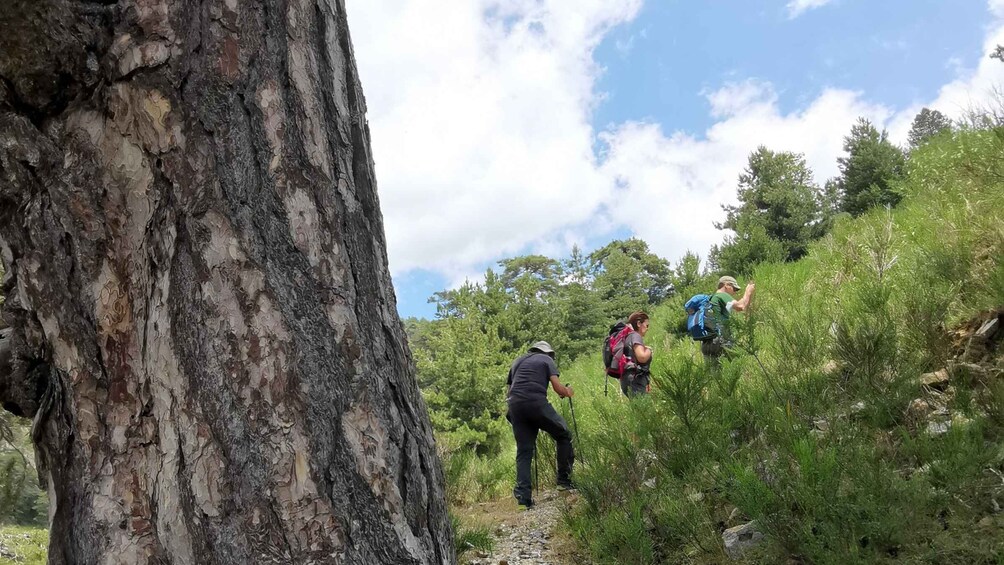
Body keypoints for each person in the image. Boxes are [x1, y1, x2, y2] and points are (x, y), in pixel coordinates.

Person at [506, 341, 575, 509]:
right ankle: (563, 482)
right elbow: (558, 388)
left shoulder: (517, 362)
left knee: (524, 451)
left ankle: (523, 500)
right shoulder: (546, 360)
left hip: (514, 406)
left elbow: (509, 391)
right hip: (536, 402)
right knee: (563, 434)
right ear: (548, 353)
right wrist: (567, 392)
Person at [701, 275, 756, 368]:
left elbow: (742, 307)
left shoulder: (711, 299)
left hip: (707, 344)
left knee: (714, 379)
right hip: (721, 343)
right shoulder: (722, 295)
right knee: (736, 370)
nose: (735, 292)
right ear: (726, 285)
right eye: (734, 288)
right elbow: (741, 306)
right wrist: (748, 291)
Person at [621, 311, 653, 396]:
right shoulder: (635, 336)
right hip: (636, 380)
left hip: (627, 380)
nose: (647, 328)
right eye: (647, 325)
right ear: (639, 324)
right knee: (643, 408)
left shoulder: (628, 337)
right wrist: (649, 351)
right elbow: (642, 357)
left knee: (638, 408)